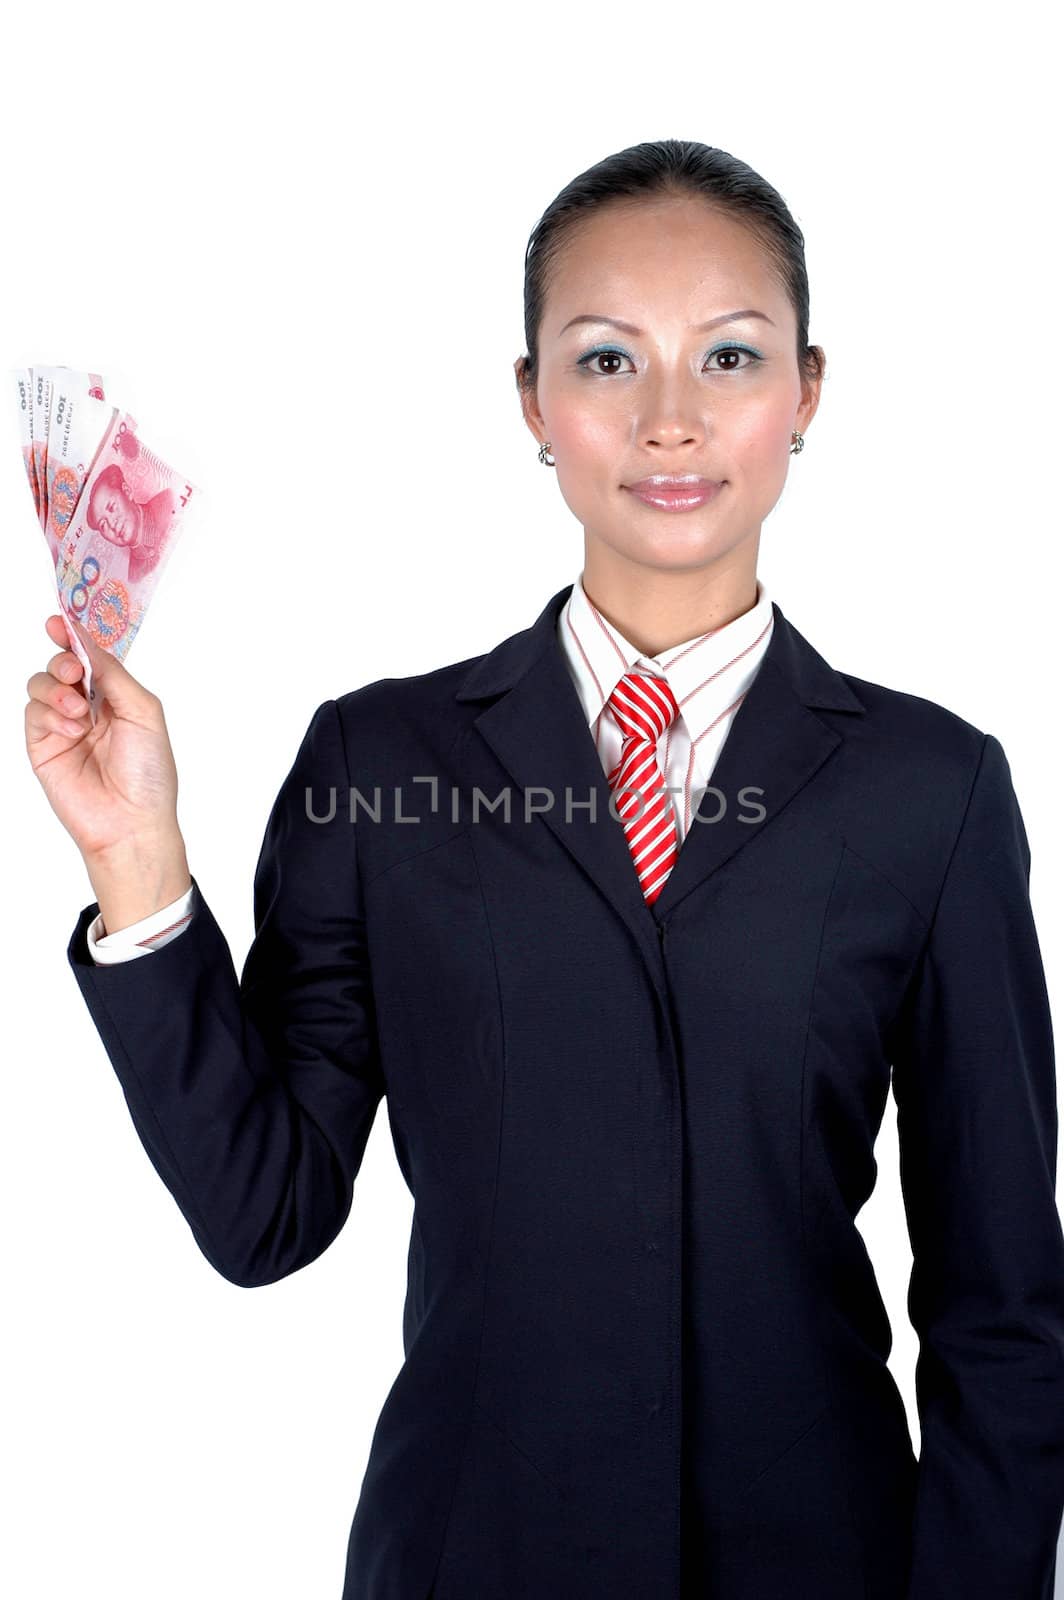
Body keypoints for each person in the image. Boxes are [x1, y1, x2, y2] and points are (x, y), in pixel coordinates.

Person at [24, 138, 1064, 1598]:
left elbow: (1002, 1308)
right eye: (605, 361)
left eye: (729, 356)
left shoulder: (932, 792)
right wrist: (135, 861)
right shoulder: (380, 762)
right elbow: (266, 1212)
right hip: (475, 1556)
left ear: (808, 393)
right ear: (532, 401)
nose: (670, 421)